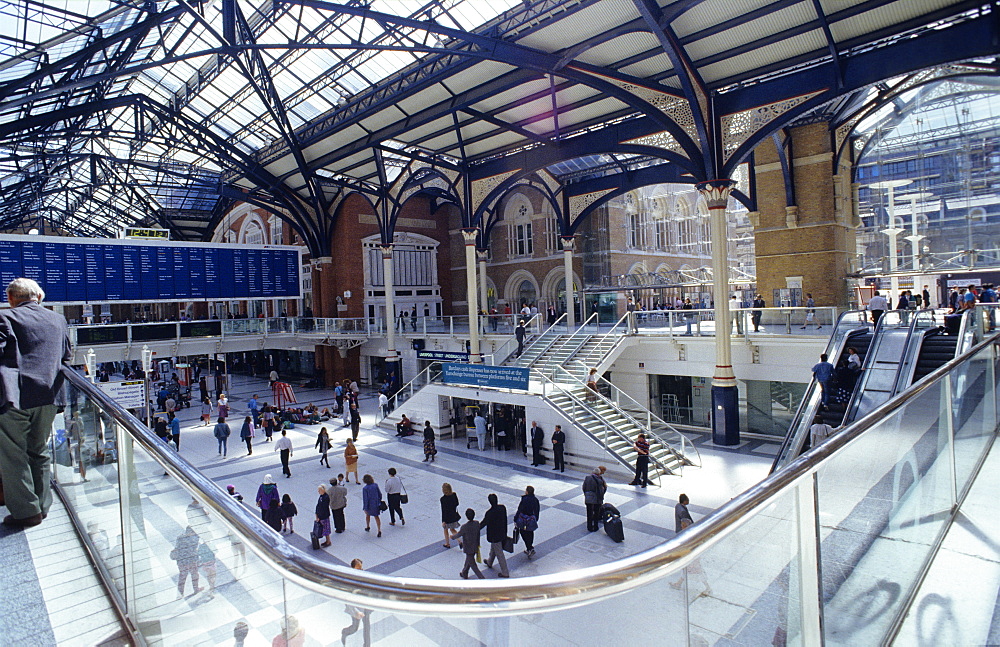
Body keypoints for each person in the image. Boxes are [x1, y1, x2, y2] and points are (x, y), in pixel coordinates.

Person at [0, 278, 72, 527]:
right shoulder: (58, 320)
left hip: (15, 397)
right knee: (39, 450)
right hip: (50, 396)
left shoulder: (5, 318)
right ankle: (43, 505)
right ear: (39, 298)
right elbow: (67, 355)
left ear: (10, 299)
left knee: (13, 454)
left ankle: (26, 512)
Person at [340, 559, 371, 645]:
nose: (360, 571)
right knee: (355, 627)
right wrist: (356, 612)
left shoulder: (364, 576)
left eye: (361, 569)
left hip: (365, 607)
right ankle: (345, 632)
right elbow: (347, 599)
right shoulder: (349, 581)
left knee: (367, 628)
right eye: (358, 569)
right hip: (356, 607)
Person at [480, 493, 510, 578]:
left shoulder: (489, 513)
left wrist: (474, 528)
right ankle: (490, 562)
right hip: (502, 533)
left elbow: (483, 523)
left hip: (494, 536)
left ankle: (505, 572)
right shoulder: (502, 508)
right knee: (494, 548)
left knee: (499, 553)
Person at [453, 508, 485, 579]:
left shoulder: (464, 527)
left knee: (472, 564)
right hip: (475, 545)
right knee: (469, 560)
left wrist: (452, 537)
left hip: (468, 547)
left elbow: (459, 534)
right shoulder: (476, 523)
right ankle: (464, 572)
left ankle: (481, 577)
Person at [172, 525, 201, 598]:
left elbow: (177, 547)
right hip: (191, 560)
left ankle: (180, 594)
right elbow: (194, 549)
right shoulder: (194, 538)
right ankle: (196, 589)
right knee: (194, 574)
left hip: (181, 561)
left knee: (182, 577)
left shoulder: (180, 538)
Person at [515, 485, 540, 557]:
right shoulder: (535, 500)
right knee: (530, 532)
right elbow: (537, 510)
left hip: (524, 520)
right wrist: (536, 518)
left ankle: (529, 548)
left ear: (527, 492)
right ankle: (530, 547)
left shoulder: (524, 499)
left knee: (523, 532)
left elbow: (520, 509)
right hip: (531, 520)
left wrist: (516, 518)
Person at [582, 466, 607, 532]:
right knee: (596, 513)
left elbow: (584, 487)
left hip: (588, 498)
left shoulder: (587, 478)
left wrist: (586, 494)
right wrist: (601, 497)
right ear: (599, 473)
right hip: (597, 499)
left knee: (589, 513)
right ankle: (595, 526)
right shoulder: (600, 480)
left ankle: (589, 527)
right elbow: (603, 489)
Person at [440, 482, 461, 548]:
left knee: (445, 530)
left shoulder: (443, 499)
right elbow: (457, 503)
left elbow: (443, 510)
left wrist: (443, 521)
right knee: (452, 529)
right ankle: (460, 541)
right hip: (454, 515)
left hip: (447, 518)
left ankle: (447, 543)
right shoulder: (454, 495)